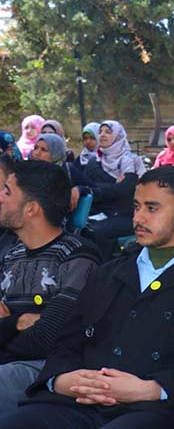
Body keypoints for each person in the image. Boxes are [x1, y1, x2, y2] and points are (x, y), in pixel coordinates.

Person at [0, 166, 174, 429]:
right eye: (136, 207)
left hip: (153, 409)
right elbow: (68, 342)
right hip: (80, 400)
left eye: (152, 208)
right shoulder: (108, 273)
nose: (138, 218)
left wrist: (151, 389)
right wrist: (60, 379)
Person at [0, 161, 100, 412]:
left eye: (7, 191)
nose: (0, 196)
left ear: (31, 208)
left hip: (49, 369)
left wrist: (7, 325)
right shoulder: (11, 254)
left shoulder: (78, 255)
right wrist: (19, 321)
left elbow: (48, 337)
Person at [84, 120, 148, 257]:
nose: (102, 135)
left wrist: (99, 189)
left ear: (118, 136)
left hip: (128, 213)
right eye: (100, 132)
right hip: (103, 211)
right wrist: (113, 185)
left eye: (108, 132)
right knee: (84, 228)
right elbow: (87, 186)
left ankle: (107, 266)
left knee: (99, 231)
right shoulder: (95, 161)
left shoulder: (129, 160)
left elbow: (125, 190)